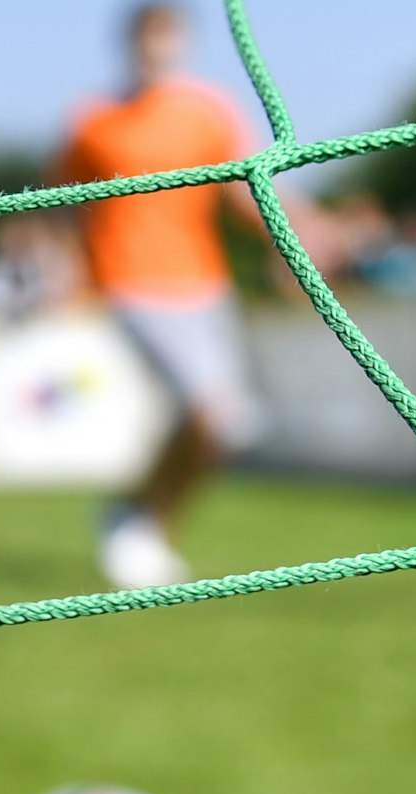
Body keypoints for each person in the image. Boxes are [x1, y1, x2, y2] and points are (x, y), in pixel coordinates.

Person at [55, 2, 298, 589]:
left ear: (182, 44)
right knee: (208, 410)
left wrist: (290, 247)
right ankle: (138, 524)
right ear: (131, 44)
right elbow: (61, 203)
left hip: (204, 282)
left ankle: (143, 518)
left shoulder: (206, 113)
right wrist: (58, 268)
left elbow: (244, 194)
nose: (156, 49)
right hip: (129, 282)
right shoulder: (94, 121)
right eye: (147, 37)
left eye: (168, 38)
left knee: (226, 424)